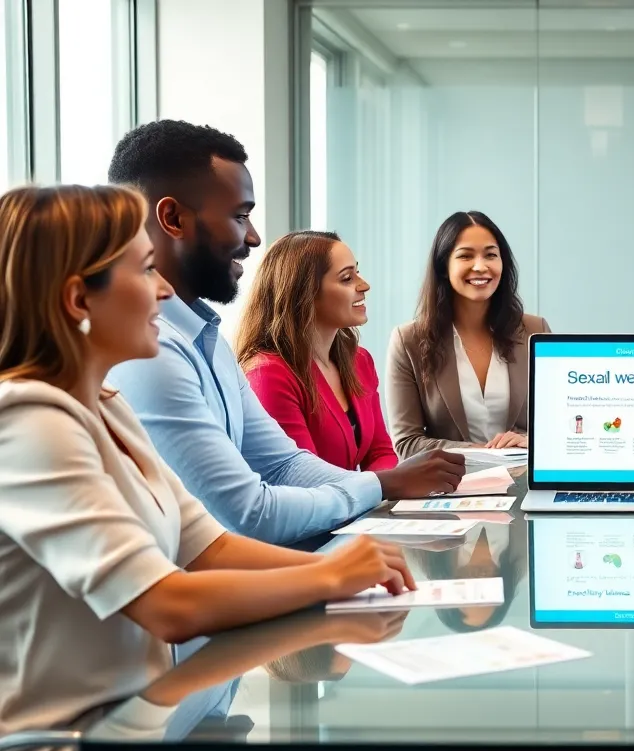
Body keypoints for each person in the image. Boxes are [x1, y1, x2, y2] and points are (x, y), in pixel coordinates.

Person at [0, 184, 418, 743]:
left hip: (148, 717)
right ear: (79, 301)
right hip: (77, 748)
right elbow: (166, 605)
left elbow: (210, 548)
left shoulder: (107, 406)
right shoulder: (29, 421)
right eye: (145, 270)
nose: (164, 288)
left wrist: (346, 568)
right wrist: (329, 576)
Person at [103, 120, 463, 547]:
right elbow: (249, 514)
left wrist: (386, 484)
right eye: (240, 216)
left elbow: (284, 465)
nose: (254, 237)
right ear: (173, 218)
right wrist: (380, 486)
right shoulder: (153, 352)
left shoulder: (207, 340)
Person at [387, 211, 551, 454]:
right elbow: (407, 443)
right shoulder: (408, 341)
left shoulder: (535, 331)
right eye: (465, 256)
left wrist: (529, 441)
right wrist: (484, 452)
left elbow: (560, 425)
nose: (480, 266)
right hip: (452, 477)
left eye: (491, 255)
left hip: (524, 475)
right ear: (444, 266)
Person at [236, 230, 398, 473]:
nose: (364, 285)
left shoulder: (359, 360)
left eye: (357, 272)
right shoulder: (268, 375)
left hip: (357, 498)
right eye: (347, 278)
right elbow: (304, 477)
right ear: (304, 292)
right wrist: (379, 486)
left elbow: (380, 452)